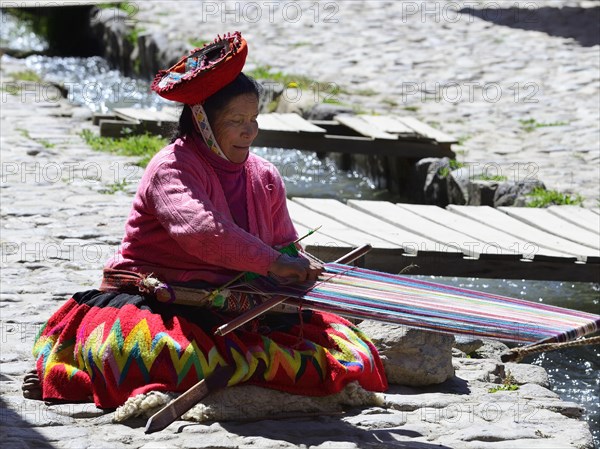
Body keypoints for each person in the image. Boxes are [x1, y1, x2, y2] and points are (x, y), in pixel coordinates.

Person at [23, 32, 387, 410]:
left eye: (254, 119)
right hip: (163, 300)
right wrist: (275, 262)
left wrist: (296, 261)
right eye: (236, 120)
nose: (250, 131)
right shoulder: (172, 168)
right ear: (202, 122)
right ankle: (79, 373)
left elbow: (283, 243)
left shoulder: (264, 176)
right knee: (153, 352)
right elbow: (202, 233)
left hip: (243, 307)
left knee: (349, 350)